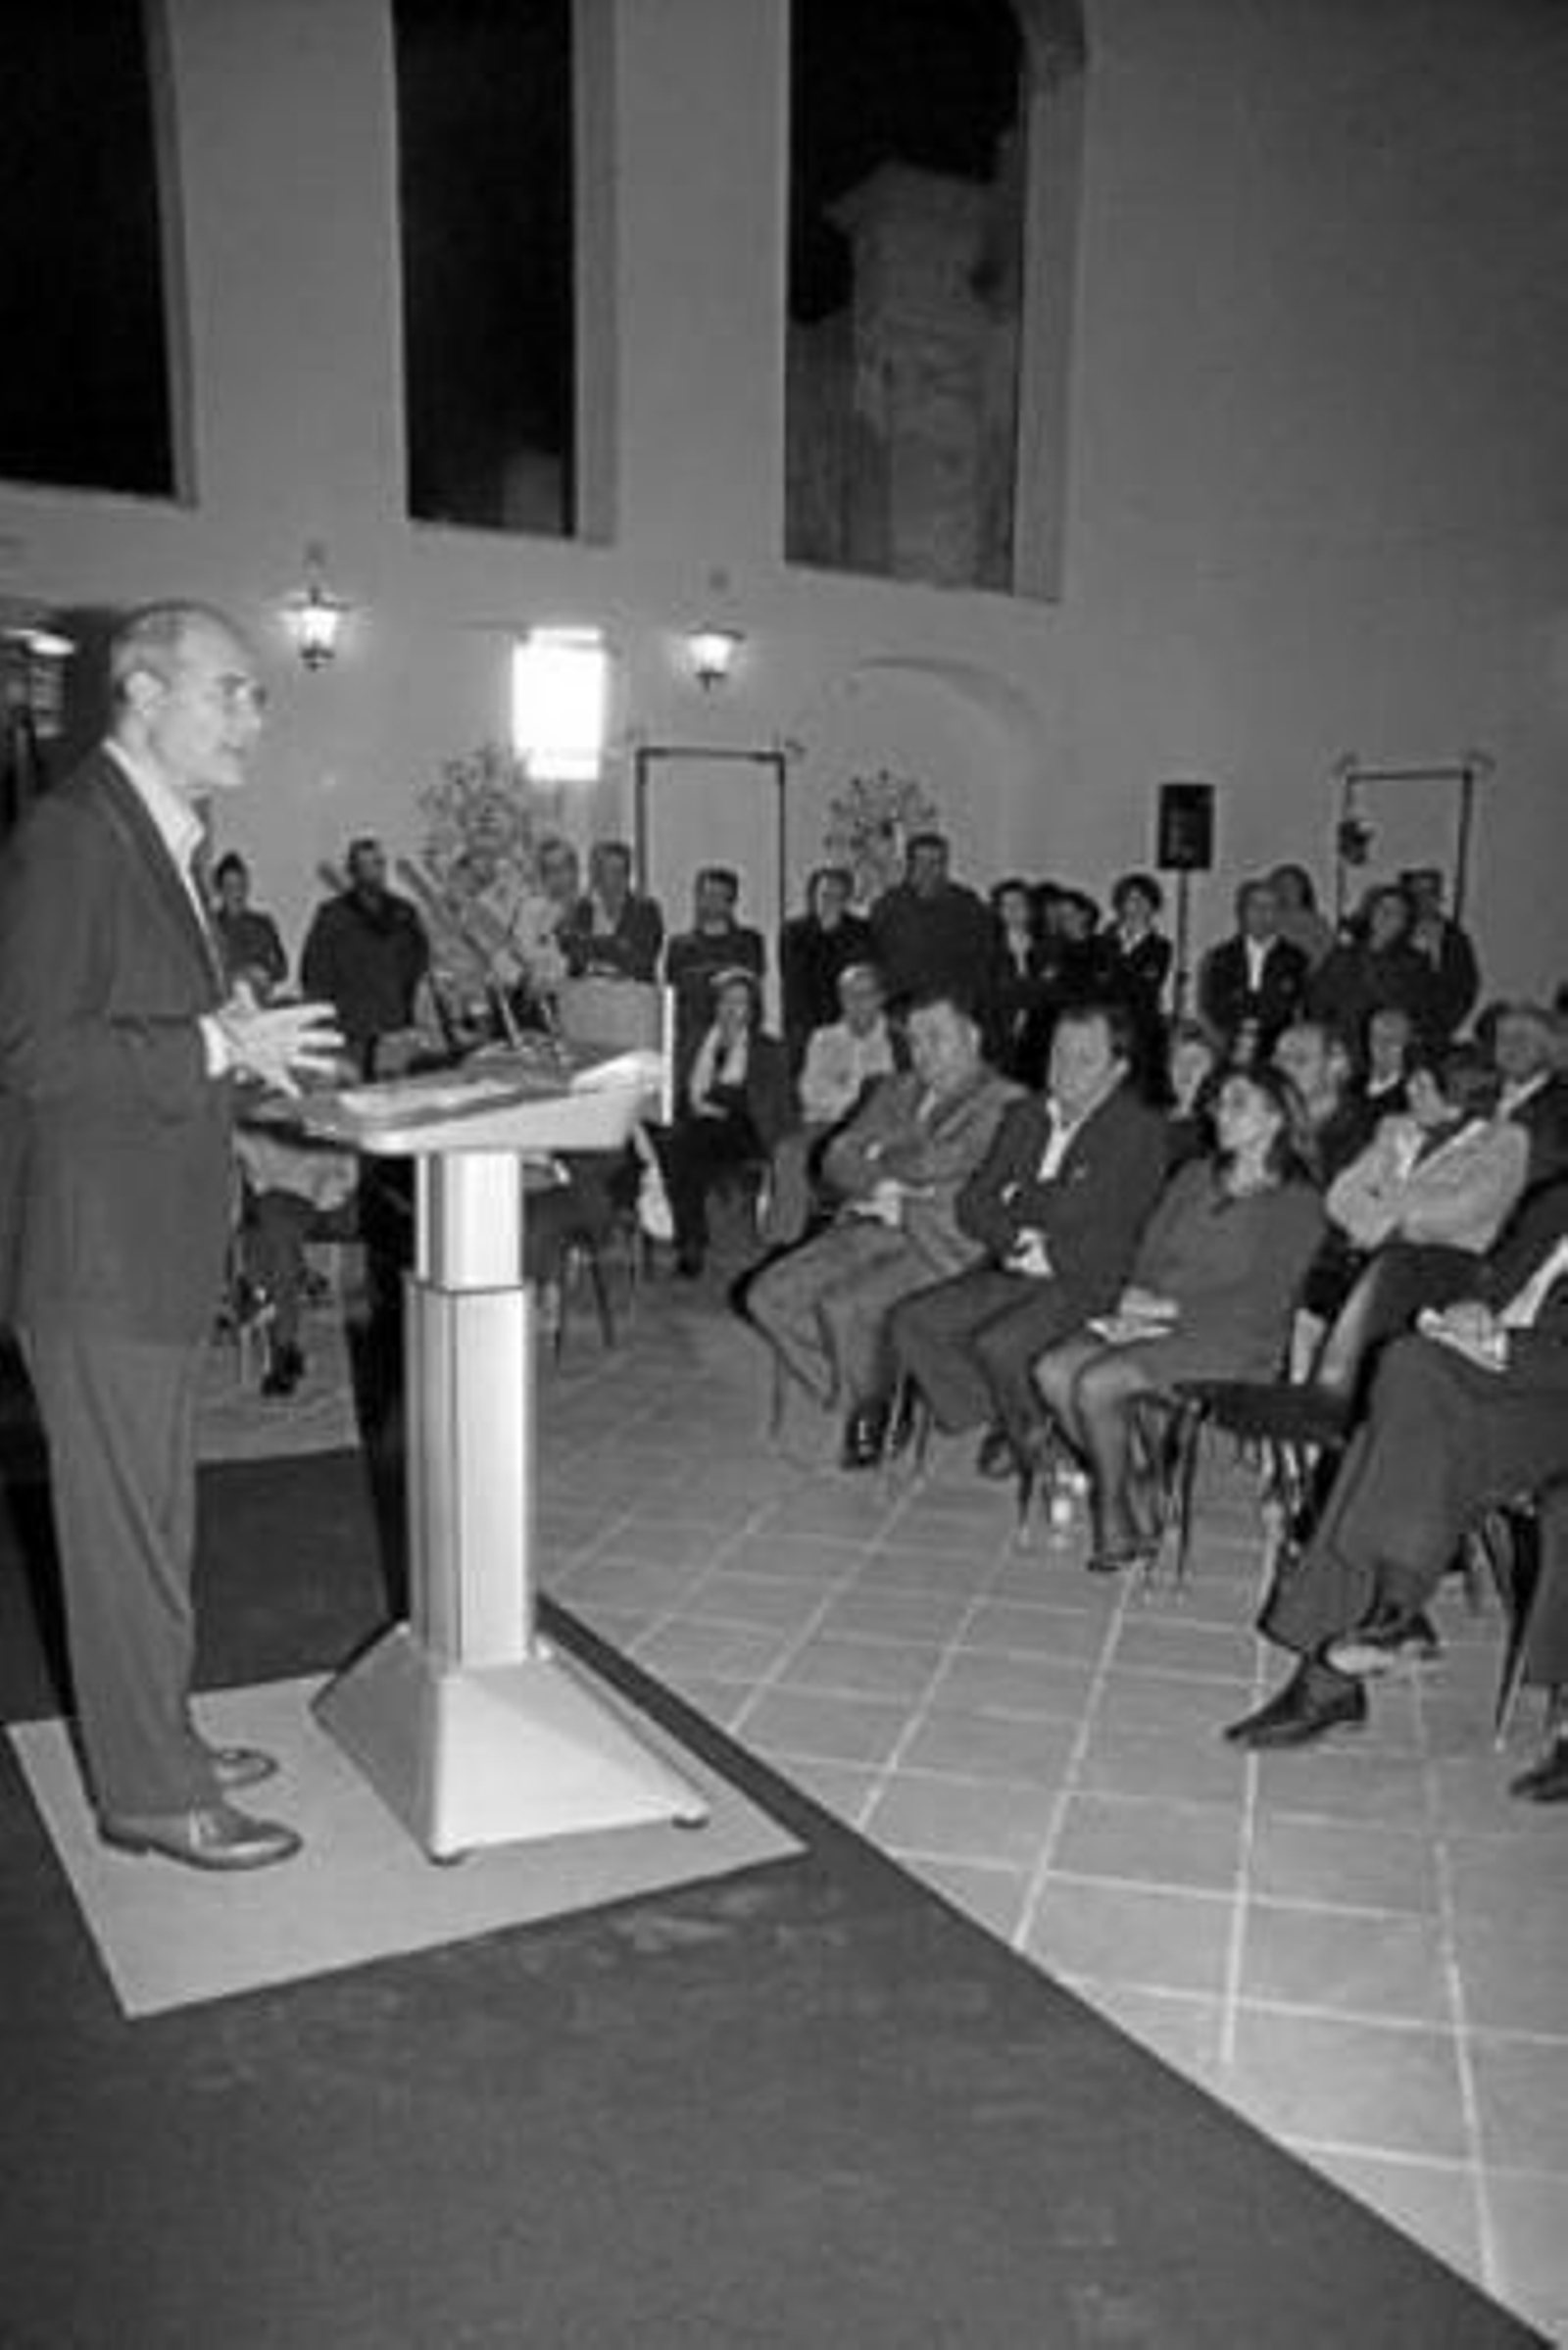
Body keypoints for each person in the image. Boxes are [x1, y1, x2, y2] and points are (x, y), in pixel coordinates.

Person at [0, 601, 343, 1871]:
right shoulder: (75, 837)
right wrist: (214, 1043)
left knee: (155, 1526)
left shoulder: (159, 843)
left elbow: (134, 1044)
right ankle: (149, 1787)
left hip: (146, 1238)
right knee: (124, 1534)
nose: (257, 713)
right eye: (232, 691)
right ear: (143, 695)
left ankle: (162, 1737)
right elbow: (31, 1051)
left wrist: (251, 1125)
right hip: (96, 1256)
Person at [1222, 1178, 1568, 1752]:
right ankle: (1390, 1614)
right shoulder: (1560, 1200)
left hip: (1553, 1399)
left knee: (1400, 1435)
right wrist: (1470, 1309)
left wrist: (1506, 1348)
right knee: (1408, 1370)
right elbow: (1491, 1279)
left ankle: (1344, 1664)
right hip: (1491, 1374)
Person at [1033, 1065, 1323, 1572]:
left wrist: (1170, 1309)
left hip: (1236, 1337)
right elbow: (1149, 1252)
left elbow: (1265, 1299)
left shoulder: (1297, 1202)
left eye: (1238, 1104)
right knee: (1052, 1371)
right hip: (1158, 1320)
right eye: (1219, 1103)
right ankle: (1138, 1484)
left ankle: (1114, 1513)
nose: (1220, 1114)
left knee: (1098, 1384)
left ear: (1276, 1118)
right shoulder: (1195, 1175)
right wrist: (1135, 1297)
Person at [888, 1003, 1168, 1481]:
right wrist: (1016, 1233)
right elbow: (974, 1204)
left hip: (1085, 1276)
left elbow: (1113, 1223)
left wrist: (1028, 1206)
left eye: (1084, 1060)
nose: (1064, 1070)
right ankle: (1018, 1421)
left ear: (1117, 1070)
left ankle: (1030, 1431)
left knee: (1002, 1346)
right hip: (1014, 1260)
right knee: (914, 1323)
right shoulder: (1025, 1114)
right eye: (1058, 1054)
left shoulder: (1138, 1131)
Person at [743, 997, 1019, 1467]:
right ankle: (871, 1399)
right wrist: (888, 1176)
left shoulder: (1003, 1101)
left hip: (942, 1241)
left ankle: (862, 1408)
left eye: (937, 1038)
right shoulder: (893, 1088)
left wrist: (881, 1161)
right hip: (871, 1223)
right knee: (768, 1298)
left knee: (846, 1308)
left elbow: (949, 1160)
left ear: (972, 1039)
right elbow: (835, 1157)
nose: (924, 1052)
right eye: (914, 1040)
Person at [651, 968, 791, 1278]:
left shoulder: (769, 1049)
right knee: (678, 1140)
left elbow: (780, 1108)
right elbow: (674, 1092)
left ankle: (691, 1243)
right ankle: (692, 1241)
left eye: (740, 1002)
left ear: (753, 1010)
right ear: (714, 1005)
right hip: (696, 1130)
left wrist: (781, 1147)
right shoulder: (693, 1042)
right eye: (725, 1001)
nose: (730, 1009)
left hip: (745, 1130)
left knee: (680, 1142)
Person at [762, 961, 903, 1248]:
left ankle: (867, 1238)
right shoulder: (823, 1040)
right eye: (851, 995)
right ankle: (783, 1243)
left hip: (877, 1130)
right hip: (825, 1125)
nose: (859, 1003)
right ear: (841, 999)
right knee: (789, 1152)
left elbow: (899, 1097)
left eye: (867, 994)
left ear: (881, 998)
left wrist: (850, 1097)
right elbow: (811, 1093)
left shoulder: (898, 1042)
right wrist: (857, 1101)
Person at [301, 835, 431, 1075]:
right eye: (365, 865)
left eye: (378, 863)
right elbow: (314, 974)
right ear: (353, 871)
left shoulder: (403, 912)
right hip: (353, 1032)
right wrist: (328, 1024)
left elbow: (420, 962)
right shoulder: (332, 916)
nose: (373, 871)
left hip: (397, 1027)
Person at [867, 832, 992, 1013]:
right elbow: (875, 959)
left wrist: (966, 1000)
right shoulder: (887, 905)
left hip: (953, 1009)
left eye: (936, 862)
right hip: (901, 1009)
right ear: (910, 864)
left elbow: (982, 958)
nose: (929, 869)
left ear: (945, 865)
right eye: (922, 862)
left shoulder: (967, 905)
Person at [663, 866, 767, 1081]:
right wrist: (723, 972)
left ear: (732, 901)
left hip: (740, 1045)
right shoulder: (679, 945)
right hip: (692, 1046)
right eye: (706, 894)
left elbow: (747, 985)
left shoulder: (750, 941)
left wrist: (699, 977)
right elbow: (675, 995)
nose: (711, 901)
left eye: (719, 896)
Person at [1309, 884, 1437, 1049]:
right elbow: (1317, 1002)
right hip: (1341, 1046)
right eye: (1381, 908)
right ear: (1370, 913)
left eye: (1396, 911)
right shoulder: (1342, 955)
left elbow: (1411, 1009)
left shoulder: (1415, 963)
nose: (1386, 915)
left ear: (1405, 921)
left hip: (1387, 1047)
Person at [1198, 878, 1310, 1053]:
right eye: (1255, 906)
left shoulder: (1296, 959)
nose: (1261, 913)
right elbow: (1210, 1006)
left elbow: (1300, 1010)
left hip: (1279, 1050)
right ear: (1242, 912)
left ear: (1280, 913)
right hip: (1229, 1045)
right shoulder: (1220, 957)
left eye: (1269, 907)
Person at [778, 865, 873, 1072]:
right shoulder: (793, 932)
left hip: (847, 1027)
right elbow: (795, 983)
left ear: (847, 899)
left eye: (837, 896)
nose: (829, 901)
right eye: (824, 894)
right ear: (812, 896)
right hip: (804, 1029)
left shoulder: (861, 932)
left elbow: (857, 980)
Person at [562, 839, 663, 983]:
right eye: (607, 870)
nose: (616, 877)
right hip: (590, 997)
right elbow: (575, 959)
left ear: (627, 875)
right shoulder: (583, 910)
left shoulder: (646, 910)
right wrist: (617, 946)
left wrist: (594, 947)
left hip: (633, 998)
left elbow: (640, 962)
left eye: (619, 871)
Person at [983, 878, 1053, 1083]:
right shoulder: (988, 950)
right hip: (1000, 1042)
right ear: (997, 911)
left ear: (1030, 909)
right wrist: (1032, 988)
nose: (1013, 911)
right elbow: (991, 1000)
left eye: (1019, 904)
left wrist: (1022, 991)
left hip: (1040, 1043)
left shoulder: (1047, 949)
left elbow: (1049, 997)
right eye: (1006, 905)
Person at [1401, 865, 1481, 1042]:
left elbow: (1466, 987)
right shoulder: (1395, 933)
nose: (1423, 900)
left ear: (1439, 897)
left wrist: (1444, 1025)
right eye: (1416, 894)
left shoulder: (1455, 939)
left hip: (1438, 1031)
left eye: (1429, 893)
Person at [210, 851, 287, 998]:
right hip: (224, 1001)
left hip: (259, 999)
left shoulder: (263, 923)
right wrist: (240, 973)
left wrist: (264, 971)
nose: (237, 892)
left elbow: (282, 969)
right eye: (230, 886)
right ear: (219, 890)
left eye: (241, 885)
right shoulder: (210, 925)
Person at [1267, 862, 1336, 970]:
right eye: (1279, 886)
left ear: (1303, 890)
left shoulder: (1317, 922)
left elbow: (1329, 952)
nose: (1284, 891)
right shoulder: (1268, 921)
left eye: (1291, 886)